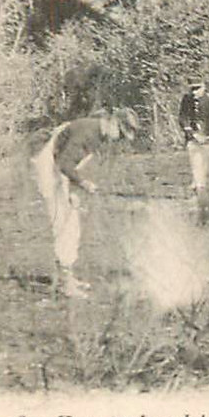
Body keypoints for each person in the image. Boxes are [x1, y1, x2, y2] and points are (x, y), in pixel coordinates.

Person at [32, 107, 139, 298]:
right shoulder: (89, 132)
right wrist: (82, 183)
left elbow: (73, 163)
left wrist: (75, 189)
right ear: (114, 123)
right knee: (64, 224)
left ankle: (67, 276)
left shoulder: (97, 132)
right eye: (121, 134)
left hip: (59, 170)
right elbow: (64, 163)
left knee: (73, 220)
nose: (119, 139)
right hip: (49, 171)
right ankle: (65, 283)